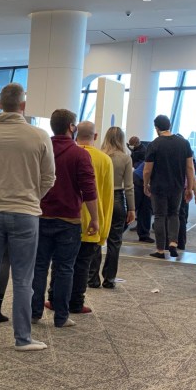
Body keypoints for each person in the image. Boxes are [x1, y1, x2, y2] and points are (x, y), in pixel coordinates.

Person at [0, 83, 55, 350]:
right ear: (23, 106)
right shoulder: (39, 136)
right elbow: (49, 178)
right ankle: (22, 339)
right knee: (23, 277)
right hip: (25, 214)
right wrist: (32, 197)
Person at [31, 109, 98, 329]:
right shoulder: (80, 154)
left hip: (40, 217)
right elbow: (89, 191)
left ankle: (34, 312)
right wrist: (94, 219)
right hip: (68, 220)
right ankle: (61, 317)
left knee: (39, 266)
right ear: (71, 127)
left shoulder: (42, 149)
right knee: (65, 268)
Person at [68, 122, 113, 312]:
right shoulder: (104, 160)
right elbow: (107, 196)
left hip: (68, 218)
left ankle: (54, 298)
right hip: (91, 222)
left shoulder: (68, 155)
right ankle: (76, 302)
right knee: (82, 265)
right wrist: (104, 230)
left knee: (63, 263)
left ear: (75, 134)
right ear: (95, 137)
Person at [143, 115, 195, 259]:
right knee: (174, 214)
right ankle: (173, 242)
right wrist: (189, 188)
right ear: (170, 126)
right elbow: (190, 168)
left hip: (158, 186)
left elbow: (147, 170)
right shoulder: (184, 143)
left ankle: (160, 250)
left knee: (160, 216)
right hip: (177, 186)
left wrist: (145, 184)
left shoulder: (154, 144)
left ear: (157, 128)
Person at [97, 127, 136, 288]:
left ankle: (92, 278)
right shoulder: (126, 158)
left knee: (96, 239)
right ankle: (109, 278)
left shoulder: (99, 155)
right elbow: (129, 186)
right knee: (115, 241)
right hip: (118, 199)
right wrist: (132, 208)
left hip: (100, 199)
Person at [129, 137, 153, 242]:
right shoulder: (156, 154)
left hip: (142, 180)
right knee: (133, 207)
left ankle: (144, 234)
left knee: (146, 209)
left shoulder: (148, 151)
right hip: (139, 180)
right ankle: (117, 232)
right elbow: (147, 172)